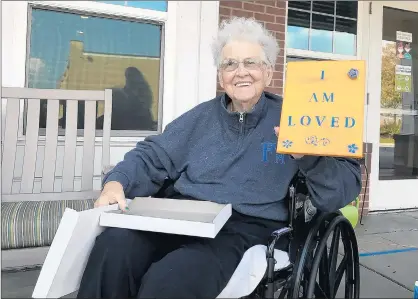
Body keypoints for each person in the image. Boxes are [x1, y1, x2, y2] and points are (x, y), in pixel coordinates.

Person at [77, 16, 362, 299]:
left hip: (245, 227)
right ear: (220, 76)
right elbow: (151, 154)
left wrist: (308, 157)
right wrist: (117, 182)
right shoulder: (199, 118)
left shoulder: (296, 119)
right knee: (113, 247)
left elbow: (340, 189)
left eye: (251, 62)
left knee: (172, 279)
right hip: (185, 216)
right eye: (230, 64)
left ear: (268, 73)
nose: (241, 72)